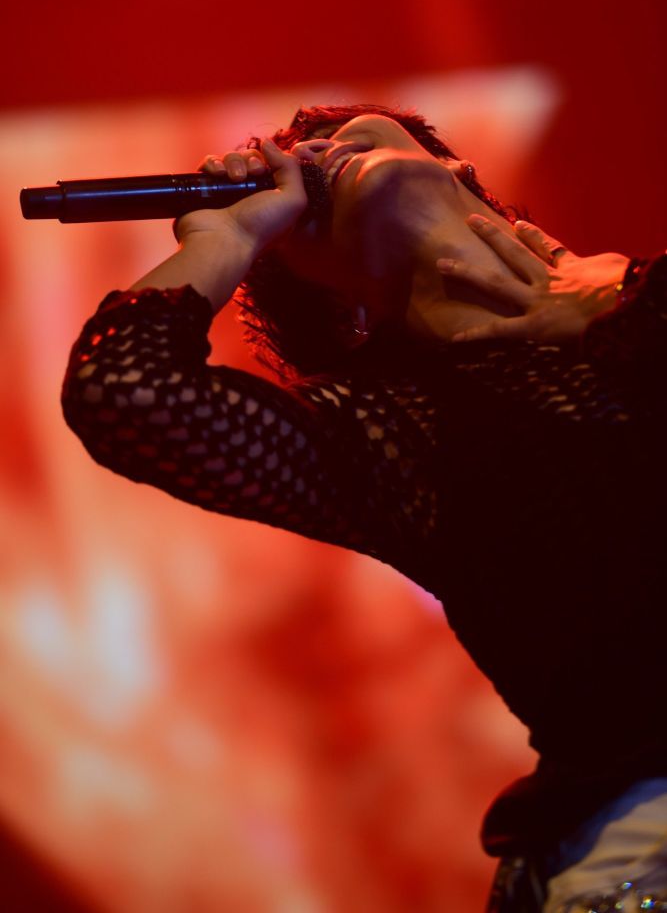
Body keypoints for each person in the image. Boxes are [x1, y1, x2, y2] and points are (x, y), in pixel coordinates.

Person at [61, 104, 667, 912]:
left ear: (458, 171)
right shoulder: (393, 429)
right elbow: (126, 392)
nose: (309, 150)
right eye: (289, 164)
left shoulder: (642, 300)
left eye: (336, 130)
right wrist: (223, 238)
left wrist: (629, 298)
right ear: (326, 292)